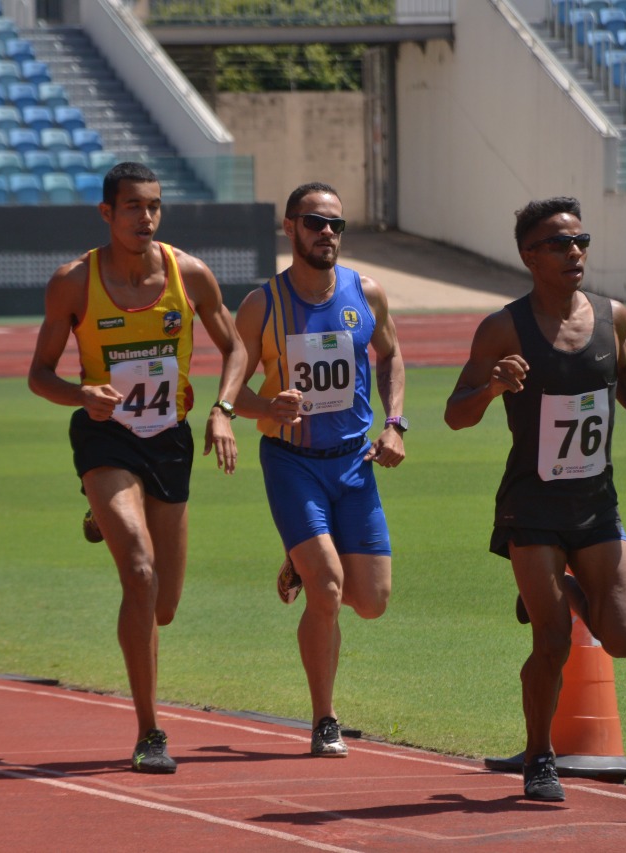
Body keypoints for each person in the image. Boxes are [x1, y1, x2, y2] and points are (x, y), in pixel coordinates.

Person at [443, 196, 626, 802]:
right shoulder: (503, 328)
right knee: (553, 641)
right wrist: (492, 388)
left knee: (624, 639)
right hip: (533, 506)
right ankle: (540, 756)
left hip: (596, 504)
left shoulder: (610, 315)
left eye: (580, 241)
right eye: (559, 244)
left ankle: (559, 590)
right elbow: (455, 414)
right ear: (528, 256)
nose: (575, 252)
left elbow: (623, 372)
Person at [27, 162, 246, 775]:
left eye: (153, 206)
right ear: (107, 213)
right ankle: (151, 730)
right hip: (106, 437)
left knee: (165, 606)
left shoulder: (190, 275)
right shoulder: (73, 282)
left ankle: (105, 517)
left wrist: (224, 409)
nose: (145, 217)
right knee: (141, 572)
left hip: (169, 439)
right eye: (132, 207)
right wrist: (82, 395)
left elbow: (236, 347)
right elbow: (39, 374)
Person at [231, 182, 406, 757]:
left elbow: (391, 353)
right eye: (314, 222)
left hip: (354, 464)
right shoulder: (264, 304)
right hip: (292, 462)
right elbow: (233, 394)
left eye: (335, 224)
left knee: (372, 602)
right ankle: (324, 719)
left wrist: (395, 423)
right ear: (290, 228)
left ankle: (302, 556)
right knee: (327, 591)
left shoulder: (366, 292)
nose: (326, 232)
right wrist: (263, 406)